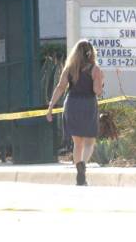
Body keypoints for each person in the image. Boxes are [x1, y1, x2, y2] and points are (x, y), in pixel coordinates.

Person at [46, 39, 104, 186]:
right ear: (91, 52)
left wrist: (51, 106)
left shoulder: (69, 68)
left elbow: (60, 87)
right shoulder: (95, 69)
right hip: (88, 104)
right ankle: (82, 166)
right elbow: (97, 91)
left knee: (77, 143)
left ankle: (79, 170)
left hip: (72, 104)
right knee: (89, 142)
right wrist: (100, 81)